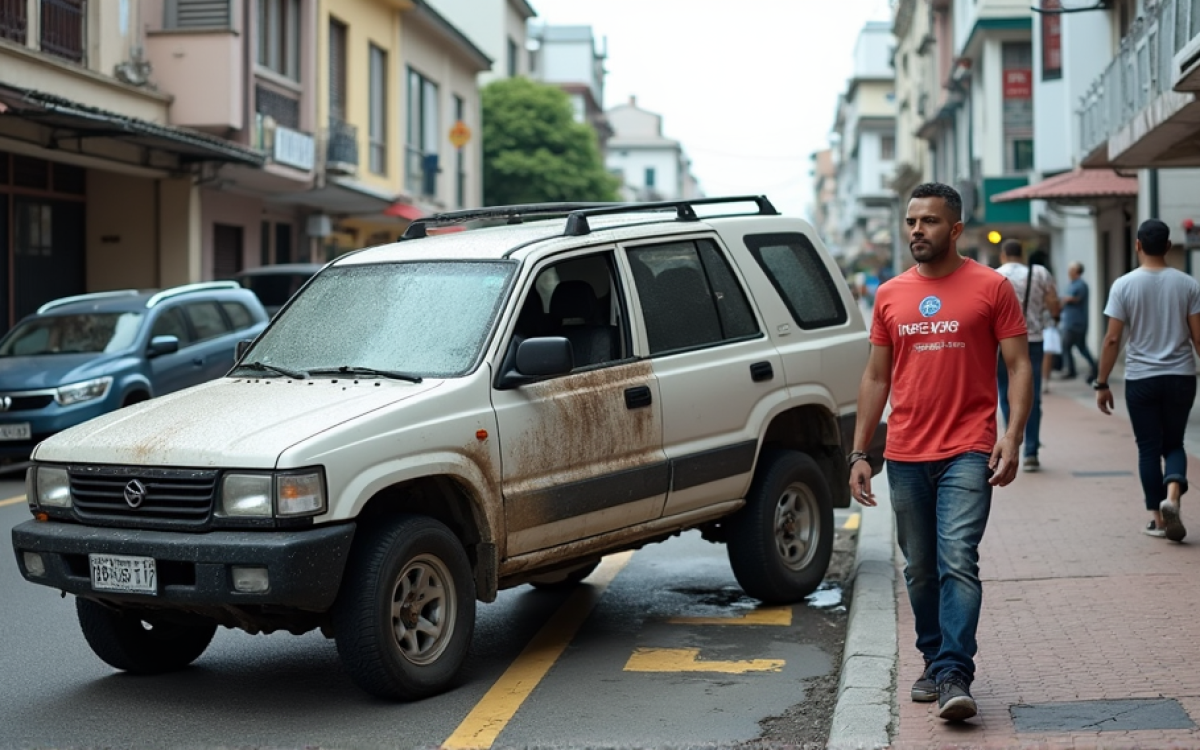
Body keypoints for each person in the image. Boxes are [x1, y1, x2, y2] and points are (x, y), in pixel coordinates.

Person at [848, 182, 1032, 723]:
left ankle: (954, 670)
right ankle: (933, 658)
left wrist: (1013, 434)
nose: (915, 231)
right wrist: (860, 452)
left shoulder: (992, 286)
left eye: (928, 222)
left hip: (968, 448)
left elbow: (1019, 365)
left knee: (958, 561)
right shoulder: (889, 294)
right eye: (911, 221)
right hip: (905, 451)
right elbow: (876, 376)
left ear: (954, 229)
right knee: (920, 569)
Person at [1095, 219, 1200, 542]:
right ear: (1168, 246)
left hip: (1141, 378)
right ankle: (1173, 496)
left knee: (1148, 449)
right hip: (1181, 375)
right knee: (1175, 443)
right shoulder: (1188, 284)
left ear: (1138, 245)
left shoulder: (1124, 285)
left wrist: (1102, 383)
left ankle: (1157, 518)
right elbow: (1198, 337)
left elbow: (1113, 340)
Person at [995, 240, 1060, 471]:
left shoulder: (994, 276)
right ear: (1021, 254)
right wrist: (1049, 314)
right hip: (1032, 340)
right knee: (1033, 395)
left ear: (1003, 255)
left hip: (1003, 344)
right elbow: (1053, 303)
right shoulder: (1039, 273)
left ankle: (1011, 439)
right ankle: (1031, 450)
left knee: (1005, 392)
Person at [1059, 261, 1099, 383]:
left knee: (1066, 345)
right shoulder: (1072, 284)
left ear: (1077, 271)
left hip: (1076, 323)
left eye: (1071, 270)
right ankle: (1093, 366)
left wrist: (1065, 299)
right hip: (1072, 320)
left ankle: (1071, 370)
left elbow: (1075, 299)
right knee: (1081, 347)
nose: (1069, 272)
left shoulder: (1080, 285)